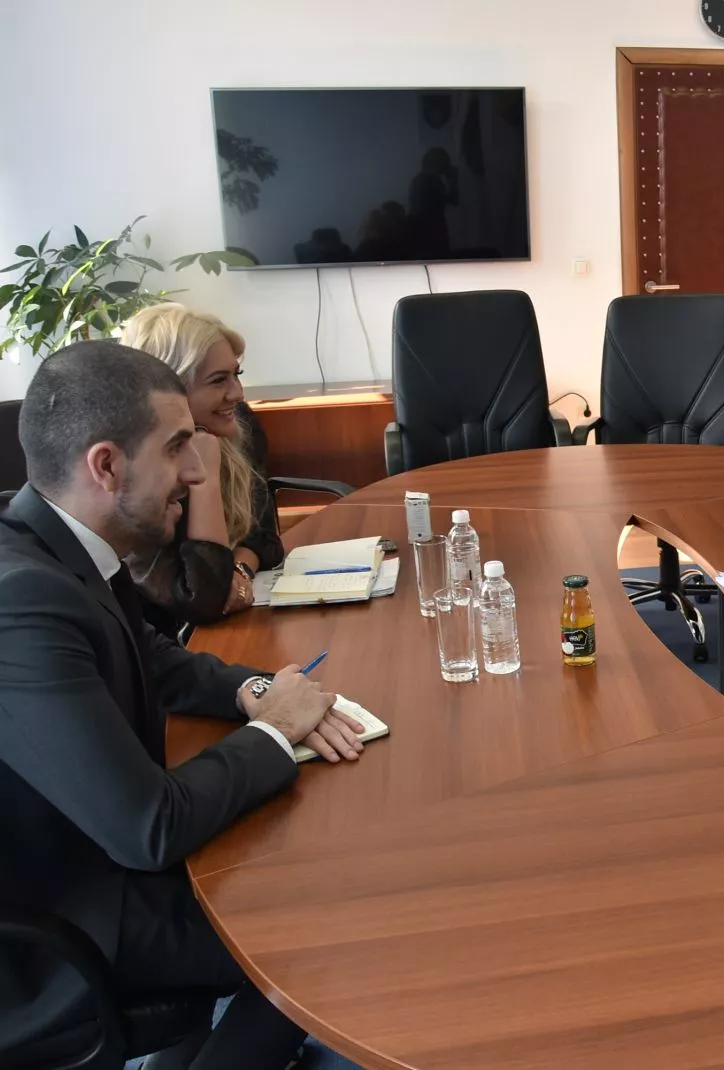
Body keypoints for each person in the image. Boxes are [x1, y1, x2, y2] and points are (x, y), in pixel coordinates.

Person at [0, 341, 368, 1068]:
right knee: (327, 920)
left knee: (318, 852)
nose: (198, 472)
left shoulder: (59, 543)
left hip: (104, 863)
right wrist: (276, 731)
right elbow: (150, 826)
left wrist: (255, 690)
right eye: (176, 449)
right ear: (106, 466)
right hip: (74, 917)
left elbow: (150, 653)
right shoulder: (23, 602)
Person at [120, 303, 284, 639]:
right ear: (170, 389)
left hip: (230, 632)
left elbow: (264, 536)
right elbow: (203, 599)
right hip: (164, 651)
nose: (237, 393)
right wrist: (205, 478)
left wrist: (239, 570)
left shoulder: (233, 427)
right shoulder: (133, 475)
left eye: (236, 374)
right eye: (218, 380)